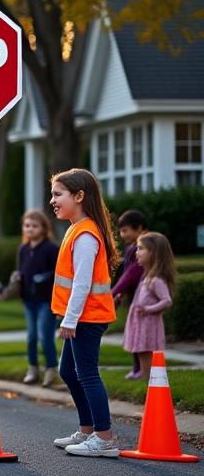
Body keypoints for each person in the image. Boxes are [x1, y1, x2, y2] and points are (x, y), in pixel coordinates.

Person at [49, 168, 121, 457]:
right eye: (52, 194)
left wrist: (70, 319)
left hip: (88, 317)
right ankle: (88, 429)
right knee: (68, 371)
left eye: (58, 194)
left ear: (79, 196)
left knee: (87, 373)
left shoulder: (86, 234)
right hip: (83, 316)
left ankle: (104, 439)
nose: (52, 200)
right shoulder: (75, 229)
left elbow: (82, 283)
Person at [0, 210, 59, 387]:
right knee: (31, 336)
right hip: (28, 299)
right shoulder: (23, 249)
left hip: (46, 299)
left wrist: (44, 277)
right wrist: (16, 280)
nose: (30, 229)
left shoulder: (51, 248)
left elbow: (58, 272)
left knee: (44, 336)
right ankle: (32, 368)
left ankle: (51, 368)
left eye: (34, 226)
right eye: (27, 225)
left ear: (43, 227)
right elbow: (21, 270)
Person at [122, 232, 174, 381]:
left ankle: (150, 379)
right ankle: (145, 378)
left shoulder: (156, 279)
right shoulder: (147, 276)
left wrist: (148, 309)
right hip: (141, 323)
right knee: (141, 351)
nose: (136, 252)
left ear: (154, 253)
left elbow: (166, 300)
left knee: (146, 351)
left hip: (148, 324)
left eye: (141, 248)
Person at [111, 209, 148, 375]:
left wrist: (114, 292)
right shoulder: (132, 248)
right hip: (133, 295)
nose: (121, 234)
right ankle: (138, 368)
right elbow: (128, 275)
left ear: (139, 228)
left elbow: (132, 274)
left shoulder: (144, 246)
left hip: (143, 296)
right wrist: (120, 293)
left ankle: (141, 369)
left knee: (139, 334)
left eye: (125, 230)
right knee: (134, 332)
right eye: (120, 230)